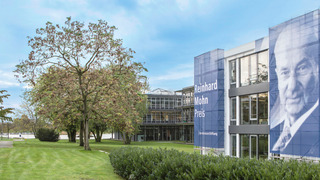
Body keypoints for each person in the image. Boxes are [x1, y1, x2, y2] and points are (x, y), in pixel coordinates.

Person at [271, 22, 320, 157]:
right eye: (285, 72)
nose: (292, 86)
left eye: (302, 68)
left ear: (317, 68)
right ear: (277, 75)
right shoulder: (274, 131)